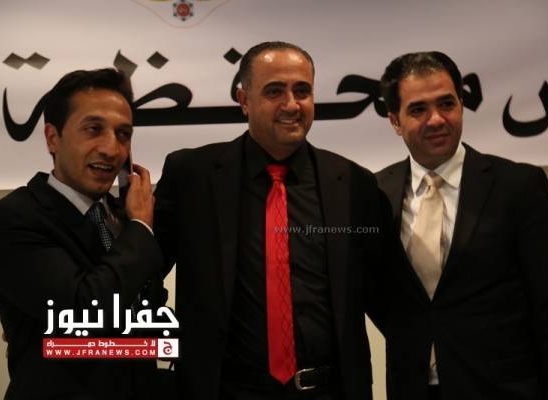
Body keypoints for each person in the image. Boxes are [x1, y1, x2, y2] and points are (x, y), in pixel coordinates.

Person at [154, 41, 388, 399]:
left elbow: (386, 295)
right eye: (274, 91)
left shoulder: (354, 183)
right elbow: (146, 272)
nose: (291, 105)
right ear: (243, 99)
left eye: (302, 91)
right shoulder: (191, 176)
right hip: (226, 392)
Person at [376, 51, 548, 400]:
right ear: (395, 121)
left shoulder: (518, 187)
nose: (436, 119)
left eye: (447, 103)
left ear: (462, 105)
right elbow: (379, 298)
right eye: (418, 110)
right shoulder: (376, 194)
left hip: (504, 389)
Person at [0, 68, 165, 400]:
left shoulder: (122, 214)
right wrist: (142, 229)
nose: (112, 149)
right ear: (52, 138)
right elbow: (85, 311)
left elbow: (148, 312)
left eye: (123, 134)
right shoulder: (12, 218)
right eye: (94, 129)